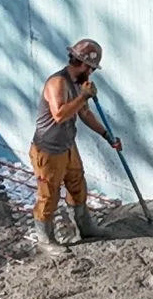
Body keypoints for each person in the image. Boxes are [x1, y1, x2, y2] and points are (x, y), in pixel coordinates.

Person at [28, 38, 122, 253]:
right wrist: (83, 97)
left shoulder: (78, 84)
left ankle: (85, 227)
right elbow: (60, 115)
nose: (91, 74)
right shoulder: (57, 83)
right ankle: (45, 239)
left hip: (68, 146)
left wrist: (106, 134)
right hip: (48, 150)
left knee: (77, 185)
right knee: (49, 194)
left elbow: (85, 113)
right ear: (84, 65)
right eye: (91, 69)